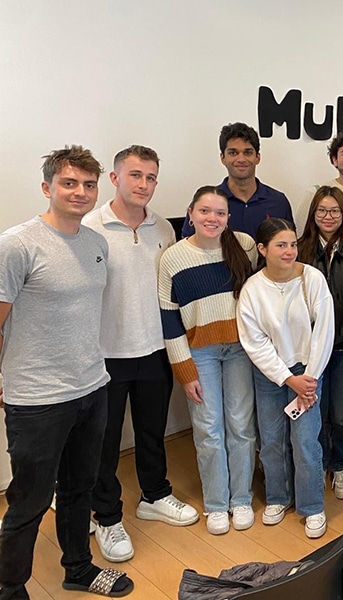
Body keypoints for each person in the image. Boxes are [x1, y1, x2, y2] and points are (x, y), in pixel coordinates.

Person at [0, 146, 135, 598]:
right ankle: (10, 586)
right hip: (37, 398)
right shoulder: (17, 244)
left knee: (80, 489)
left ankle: (78, 568)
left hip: (92, 386)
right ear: (47, 188)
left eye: (89, 184)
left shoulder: (95, 243)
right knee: (30, 501)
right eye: (69, 183)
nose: (80, 192)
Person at [83, 145, 198, 565]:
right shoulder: (90, 226)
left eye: (151, 177)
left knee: (152, 430)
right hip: (105, 353)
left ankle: (154, 495)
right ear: (114, 178)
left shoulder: (163, 230)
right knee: (105, 441)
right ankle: (106, 516)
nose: (144, 185)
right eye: (135, 175)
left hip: (154, 349)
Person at [158, 186, 257, 535]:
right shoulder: (172, 258)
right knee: (208, 428)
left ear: (228, 218)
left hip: (241, 350)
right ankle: (217, 504)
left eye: (219, 213)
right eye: (204, 211)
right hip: (199, 352)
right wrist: (184, 371)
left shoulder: (244, 246)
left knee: (242, 426)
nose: (212, 219)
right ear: (190, 213)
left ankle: (241, 498)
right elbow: (169, 320)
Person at [237, 219, 335, 538]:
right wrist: (285, 377)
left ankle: (312, 507)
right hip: (270, 375)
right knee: (271, 441)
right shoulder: (253, 289)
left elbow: (323, 331)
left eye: (293, 244)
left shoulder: (313, 279)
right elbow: (254, 341)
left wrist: (309, 378)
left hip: (308, 373)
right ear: (263, 249)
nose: (290, 251)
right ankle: (278, 498)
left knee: (305, 441)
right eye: (281, 245)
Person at [297, 187, 343, 501]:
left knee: (342, 414)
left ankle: (342, 465)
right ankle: (319, 464)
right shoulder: (299, 250)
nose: (328, 217)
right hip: (307, 351)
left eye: (334, 211)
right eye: (322, 211)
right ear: (313, 214)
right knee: (315, 413)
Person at [182, 122, 292, 237]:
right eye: (233, 153)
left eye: (248, 152)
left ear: (257, 157)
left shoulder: (278, 202)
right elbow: (188, 248)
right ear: (223, 158)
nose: (241, 159)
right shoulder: (205, 203)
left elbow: (289, 246)